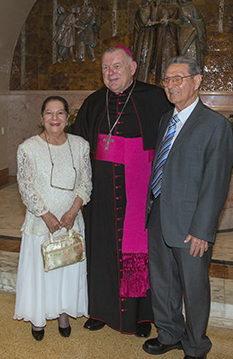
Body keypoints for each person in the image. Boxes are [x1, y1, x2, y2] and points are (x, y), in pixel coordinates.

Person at [70, 46, 172, 337]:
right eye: (105, 68)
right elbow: (78, 150)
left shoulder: (156, 99)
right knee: (101, 251)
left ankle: (140, 317)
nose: (111, 73)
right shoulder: (93, 103)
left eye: (117, 66)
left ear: (133, 67)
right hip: (102, 196)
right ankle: (100, 311)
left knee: (139, 252)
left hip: (141, 194)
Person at [143, 56, 233, 359]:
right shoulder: (165, 119)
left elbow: (216, 183)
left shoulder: (215, 125)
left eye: (178, 78)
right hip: (158, 215)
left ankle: (196, 346)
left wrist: (202, 230)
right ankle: (169, 333)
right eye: (167, 80)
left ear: (197, 81)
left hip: (191, 225)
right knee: (163, 282)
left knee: (194, 289)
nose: (171, 85)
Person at [14, 96, 92, 341]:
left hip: (71, 224)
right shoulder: (28, 148)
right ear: (41, 118)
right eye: (49, 113)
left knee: (66, 270)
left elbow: (86, 183)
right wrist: (45, 214)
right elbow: (26, 187)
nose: (55, 118)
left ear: (68, 117)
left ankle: (63, 313)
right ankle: (38, 319)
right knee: (42, 271)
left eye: (60, 113)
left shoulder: (80, 145)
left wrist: (72, 212)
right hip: (40, 223)